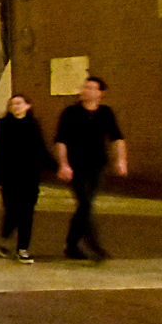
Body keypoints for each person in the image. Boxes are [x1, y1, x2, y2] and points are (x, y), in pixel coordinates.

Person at [54, 75, 126, 261]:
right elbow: (61, 140)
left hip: (97, 165)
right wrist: (63, 164)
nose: (85, 90)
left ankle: (71, 245)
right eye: (84, 87)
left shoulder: (106, 113)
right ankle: (94, 245)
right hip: (76, 165)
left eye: (91, 88)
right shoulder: (70, 112)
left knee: (85, 205)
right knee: (85, 203)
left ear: (101, 93)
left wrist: (121, 161)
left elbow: (117, 138)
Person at [0, 93, 47, 262]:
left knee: (27, 213)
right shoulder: (2, 124)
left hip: (30, 176)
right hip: (9, 177)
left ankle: (23, 249)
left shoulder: (33, 125)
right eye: (12, 104)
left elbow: (41, 149)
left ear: (28, 106)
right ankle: (5, 237)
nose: (16, 106)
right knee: (12, 211)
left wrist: (58, 167)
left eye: (19, 103)